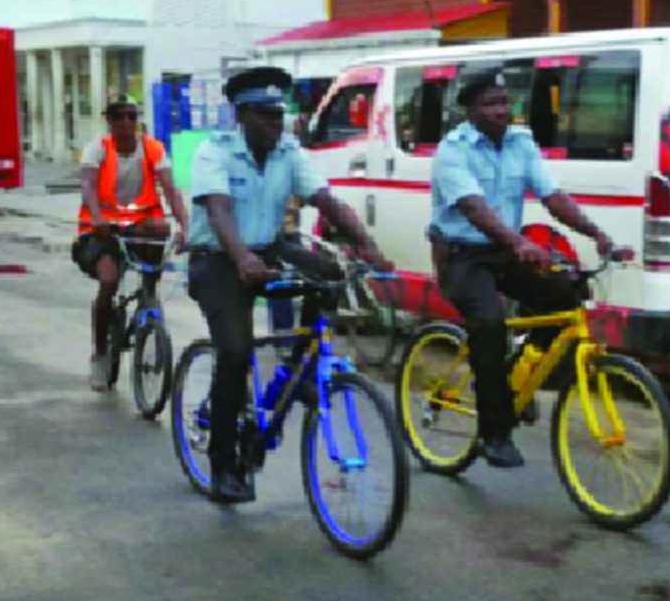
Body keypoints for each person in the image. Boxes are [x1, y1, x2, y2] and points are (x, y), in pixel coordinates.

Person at [187, 65, 389, 504]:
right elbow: (219, 212)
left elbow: (326, 200)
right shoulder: (213, 152)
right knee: (236, 352)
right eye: (264, 115)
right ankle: (224, 464)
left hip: (269, 246)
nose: (275, 124)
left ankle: (298, 366)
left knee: (331, 273)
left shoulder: (288, 151)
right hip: (219, 258)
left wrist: (367, 246)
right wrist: (242, 259)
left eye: (279, 115)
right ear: (241, 116)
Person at [429, 68, 620, 469]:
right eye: (490, 104)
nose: (501, 111)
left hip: (504, 251)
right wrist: (519, 242)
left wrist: (597, 233)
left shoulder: (521, 142)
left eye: (504, 102)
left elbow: (552, 196)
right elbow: (473, 207)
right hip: (462, 254)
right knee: (490, 322)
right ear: (470, 110)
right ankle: (493, 434)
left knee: (564, 294)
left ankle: (519, 375)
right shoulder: (453, 150)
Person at [74, 93, 189, 392]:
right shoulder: (97, 149)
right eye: (119, 116)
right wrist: (97, 217)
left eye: (132, 116)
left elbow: (171, 190)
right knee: (109, 280)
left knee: (160, 228)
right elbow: (87, 183)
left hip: (138, 227)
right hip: (101, 231)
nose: (127, 122)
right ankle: (100, 355)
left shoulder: (152, 149)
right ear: (109, 121)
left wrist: (187, 226)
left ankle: (150, 298)